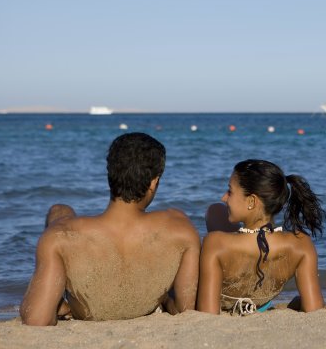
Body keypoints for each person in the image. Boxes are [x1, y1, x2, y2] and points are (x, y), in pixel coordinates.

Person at [20, 132, 201, 326]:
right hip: (144, 304)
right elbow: (186, 311)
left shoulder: (61, 237)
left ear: (110, 174)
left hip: (85, 310)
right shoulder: (182, 230)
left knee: (60, 210)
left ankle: (59, 302)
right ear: (153, 182)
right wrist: (164, 297)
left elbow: (37, 319)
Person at [197, 159, 326, 315]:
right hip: (262, 304)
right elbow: (314, 308)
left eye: (230, 191)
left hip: (226, 294)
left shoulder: (215, 242)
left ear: (251, 201)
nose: (224, 197)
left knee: (215, 211)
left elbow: (207, 313)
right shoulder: (301, 243)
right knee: (217, 210)